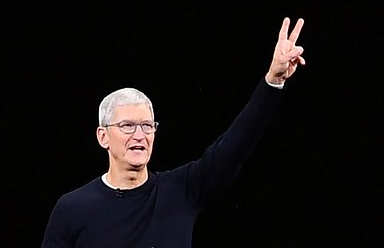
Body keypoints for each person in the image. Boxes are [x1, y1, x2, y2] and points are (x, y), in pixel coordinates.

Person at [39, 16, 305, 247]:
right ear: (103, 136)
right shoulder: (72, 208)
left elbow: (234, 148)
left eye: (147, 126)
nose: (140, 135)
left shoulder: (180, 191)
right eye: (127, 126)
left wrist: (273, 81)